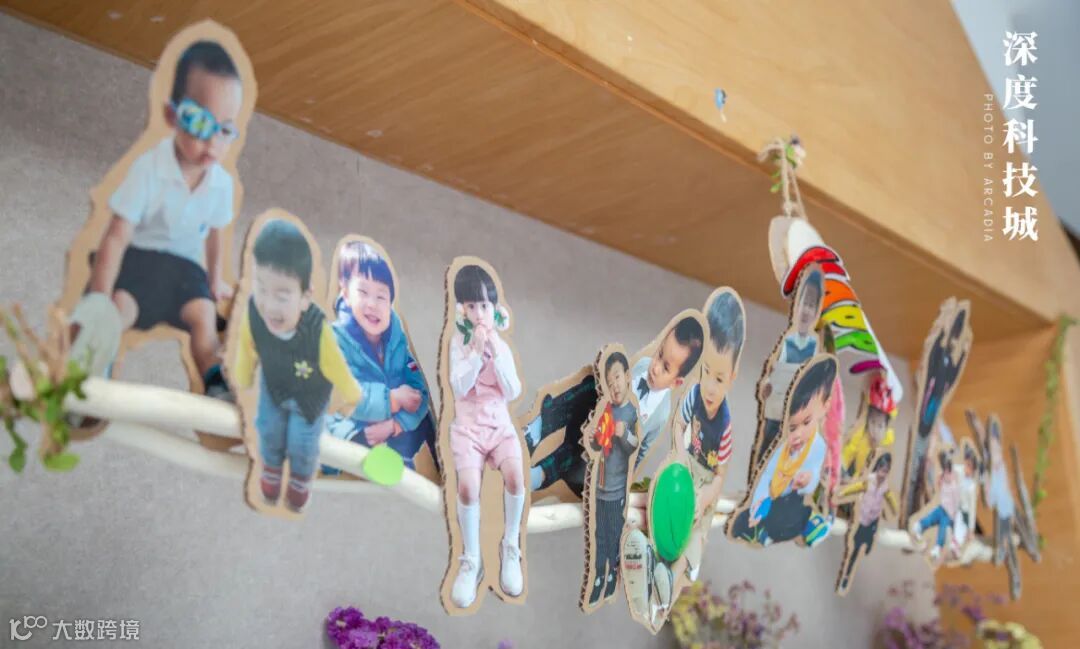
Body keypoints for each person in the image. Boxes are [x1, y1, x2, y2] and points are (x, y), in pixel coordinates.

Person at [75, 41, 244, 399]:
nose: (212, 142)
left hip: (185, 269)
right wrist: (99, 298)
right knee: (120, 307)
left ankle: (215, 380)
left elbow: (217, 233)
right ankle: (94, 361)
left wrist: (215, 280)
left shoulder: (221, 184)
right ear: (172, 117)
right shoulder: (149, 169)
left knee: (204, 317)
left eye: (225, 129)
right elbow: (117, 236)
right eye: (200, 122)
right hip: (142, 259)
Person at [231, 220, 363, 512]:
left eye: (282, 296)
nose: (269, 305)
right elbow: (247, 344)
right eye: (261, 289)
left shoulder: (317, 330)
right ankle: (272, 468)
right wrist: (242, 375)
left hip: (309, 397)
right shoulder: (254, 312)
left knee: (302, 442)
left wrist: (350, 394)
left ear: (305, 298)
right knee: (269, 429)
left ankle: (301, 479)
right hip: (275, 385)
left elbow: (335, 366)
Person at [525, 316, 704, 495]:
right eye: (659, 354)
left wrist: (620, 482)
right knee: (590, 384)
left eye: (665, 368)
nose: (655, 367)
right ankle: (539, 428)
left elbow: (639, 452)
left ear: (675, 382)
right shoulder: (643, 366)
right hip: (593, 418)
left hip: (599, 458)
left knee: (578, 450)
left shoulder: (660, 414)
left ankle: (539, 475)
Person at [446, 265, 525, 608]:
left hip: (499, 424)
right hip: (468, 427)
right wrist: (476, 353)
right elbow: (458, 386)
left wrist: (494, 352)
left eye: (484, 306)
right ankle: (471, 559)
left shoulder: (501, 346)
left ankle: (511, 546)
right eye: (471, 306)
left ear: (495, 309)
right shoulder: (458, 344)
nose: (479, 313)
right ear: (462, 310)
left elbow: (513, 390)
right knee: (467, 487)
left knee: (515, 476)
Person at [322, 241, 435, 471]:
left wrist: (395, 425)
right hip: (353, 429)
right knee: (341, 431)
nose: (372, 304)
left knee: (423, 415)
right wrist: (392, 399)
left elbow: (418, 390)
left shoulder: (395, 340)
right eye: (362, 292)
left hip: (389, 428)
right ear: (345, 293)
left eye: (381, 297)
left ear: (390, 302)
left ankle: (433, 466)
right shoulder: (335, 340)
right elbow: (344, 395)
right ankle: (379, 463)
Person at [671, 291, 745, 581]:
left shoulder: (725, 425)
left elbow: (720, 475)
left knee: (698, 524)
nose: (710, 388)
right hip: (686, 461)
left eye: (720, 378)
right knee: (671, 505)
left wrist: (705, 498)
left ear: (732, 377)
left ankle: (683, 567)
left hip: (707, 479)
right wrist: (679, 455)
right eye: (706, 372)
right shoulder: (693, 395)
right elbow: (679, 424)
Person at [729, 357, 836, 546]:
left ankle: (797, 526)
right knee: (744, 522)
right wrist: (758, 504)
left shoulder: (818, 446)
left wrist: (808, 480)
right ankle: (762, 529)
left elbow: (811, 482)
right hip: (772, 497)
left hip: (791, 500)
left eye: (806, 422)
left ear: (824, 408)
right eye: (792, 427)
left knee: (790, 515)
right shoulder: (783, 445)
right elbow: (766, 474)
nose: (797, 434)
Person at [903, 309, 969, 523]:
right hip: (925, 421)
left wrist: (963, 354)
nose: (954, 342)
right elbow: (930, 366)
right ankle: (910, 513)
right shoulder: (938, 354)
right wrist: (940, 332)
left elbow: (951, 377)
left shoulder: (949, 361)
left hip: (933, 423)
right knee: (915, 471)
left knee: (928, 473)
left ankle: (921, 513)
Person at [586, 352, 639, 605]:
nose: (614, 385)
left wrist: (624, 433)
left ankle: (611, 576)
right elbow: (598, 445)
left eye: (617, 377)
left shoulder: (631, 413)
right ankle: (598, 576)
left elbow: (635, 444)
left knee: (614, 534)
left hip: (617, 490)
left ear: (627, 377)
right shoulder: (605, 411)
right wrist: (595, 440)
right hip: (600, 488)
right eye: (609, 382)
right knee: (600, 536)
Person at [756, 270, 823, 466]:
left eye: (811, 305)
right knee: (765, 454)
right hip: (775, 412)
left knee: (786, 460)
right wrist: (766, 386)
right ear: (796, 304)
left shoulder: (814, 347)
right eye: (804, 303)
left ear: (816, 311)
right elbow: (770, 373)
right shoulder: (786, 341)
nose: (806, 310)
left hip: (796, 419)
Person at [836, 452, 897, 593]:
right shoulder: (869, 481)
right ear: (877, 468)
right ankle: (846, 578)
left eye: (886, 471)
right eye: (882, 470)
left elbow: (891, 499)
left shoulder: (885, 487)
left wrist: (894, 509)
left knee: (868, 546)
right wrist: (843, 492)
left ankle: (868, 543)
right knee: (854, 551)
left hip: (873, 521)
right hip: (862, 519)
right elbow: (856, 487)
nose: (883, 474)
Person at [908, 451, 960, 565]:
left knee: (942, 526)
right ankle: (919, 526)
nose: (946, 475)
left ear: (951, 473)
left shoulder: (954, 486)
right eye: (945, 472)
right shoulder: (942, 479)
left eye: (948, 473)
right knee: (931, 517)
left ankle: (937, 547)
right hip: (942, 508)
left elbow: (956, 503)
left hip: (949, 514)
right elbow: (939, 483)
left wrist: (954, 518)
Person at [842, 372, 897, 477]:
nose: (874, 430)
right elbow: (846, 456)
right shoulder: (861, 432)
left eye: (880, 426)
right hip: (855, 478)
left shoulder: (887, 443)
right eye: (872, 422)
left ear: (886, 427)